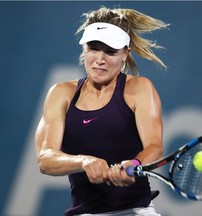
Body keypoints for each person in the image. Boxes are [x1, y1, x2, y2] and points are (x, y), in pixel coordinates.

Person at [35, 6, 169, 216]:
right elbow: (45, 158)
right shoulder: (61, 93)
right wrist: (84, 161)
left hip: (136, 211)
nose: (100, 59)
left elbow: (154, 146)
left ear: (125, 53)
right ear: (83, 49)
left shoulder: (140, 88)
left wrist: (134, 165)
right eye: (93, 48)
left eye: (110, 51)